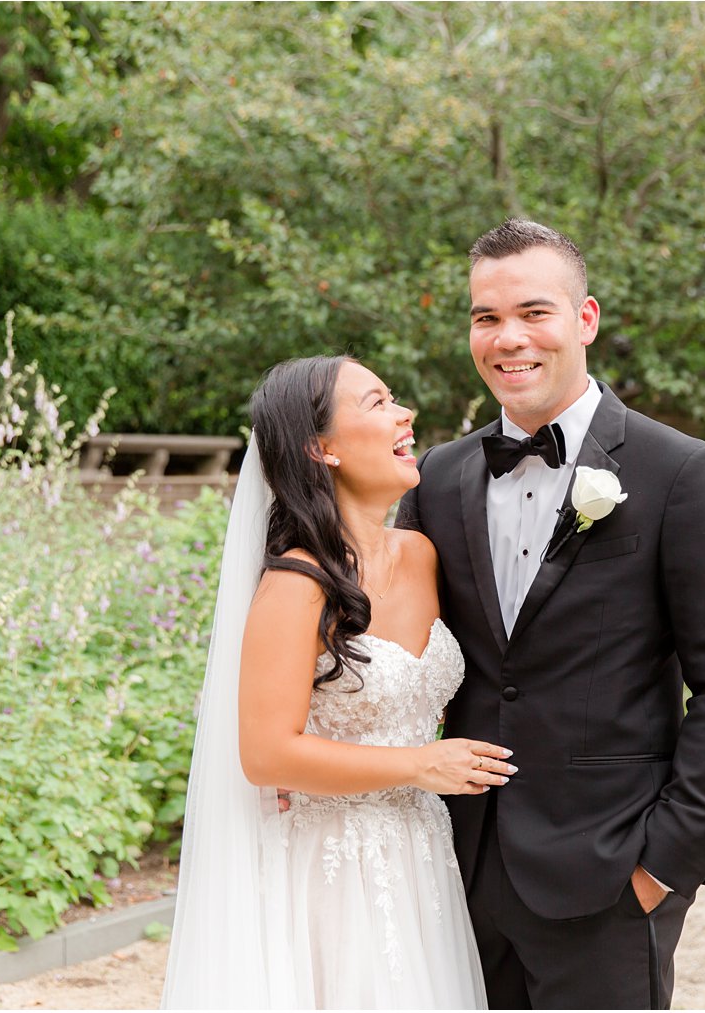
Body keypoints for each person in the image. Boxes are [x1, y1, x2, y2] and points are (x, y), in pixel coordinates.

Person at [397, 218, 705, 1009]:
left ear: (585, 319)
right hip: (461, 866)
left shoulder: (678, 473)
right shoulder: (439, 476)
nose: (508, 338)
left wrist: (663, 865)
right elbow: (389, 641)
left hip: (610, 873)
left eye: (535, 312)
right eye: (485, 317)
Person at [160, 356, 503, 1009]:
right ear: (322, 448)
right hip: (334, 870)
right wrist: (417, 762)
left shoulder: (422, 553)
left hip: (424, 853)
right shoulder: (296, 583)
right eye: (377, 403)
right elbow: (266, 754)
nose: (405, 415)